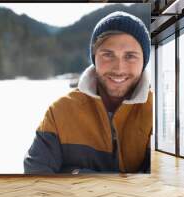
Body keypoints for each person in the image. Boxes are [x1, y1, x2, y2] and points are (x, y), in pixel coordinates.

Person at [24, 11, 152, 174]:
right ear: (94, 58)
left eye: (130, 56)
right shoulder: (60, 112)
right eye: (108, 54)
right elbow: (35, 178)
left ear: (144, 61)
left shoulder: (156, 113)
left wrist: (80, 176)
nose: (119, 68)